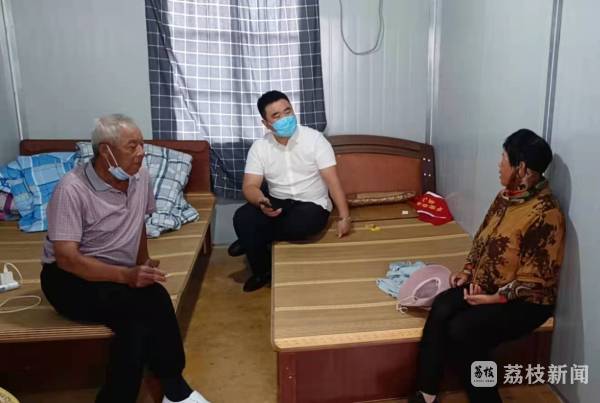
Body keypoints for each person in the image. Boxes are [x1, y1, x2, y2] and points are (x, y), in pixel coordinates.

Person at [40, 114, 209, 403]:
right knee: (140, 312)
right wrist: (125, 276)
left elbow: (137, 221)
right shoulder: (72, 189)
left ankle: (169, 388)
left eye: (142, 144)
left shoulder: (140, 176)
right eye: (133, 146)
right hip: (70, 278)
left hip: (117, 271)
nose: (142, 152)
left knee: (149, 307)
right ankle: (167, 390)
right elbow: (67, 259)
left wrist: (142, 261)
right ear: (106, 151)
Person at [409, 129, 565, 403]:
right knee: (443, 305)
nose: (498, 164)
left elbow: (536, 281)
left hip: (525, 302)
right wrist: (467, 271)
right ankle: (427, 393)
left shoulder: (546, 214)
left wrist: (495, 299)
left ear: (522, 168)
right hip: (487, 287)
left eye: (504, 158)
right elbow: (482, 239)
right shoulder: (505, 197)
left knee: (464, 330)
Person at [230, 90, 352, 292]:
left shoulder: (315, 140)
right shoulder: (260, 147)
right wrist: (261, 201)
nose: (285, 118)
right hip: (277, 201)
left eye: (287, 111)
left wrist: (345, 217)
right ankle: (262, 272)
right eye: (276, 116)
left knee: (305, 224)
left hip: (312, 204)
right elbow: (249, 186)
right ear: (266, 123)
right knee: (242, 217)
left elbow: (333, 182)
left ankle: (251, 239)